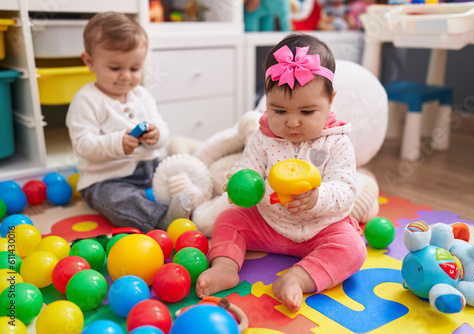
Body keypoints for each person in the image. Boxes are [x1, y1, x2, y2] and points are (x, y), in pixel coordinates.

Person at [196, 33, 367, 312]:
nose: (292, 122)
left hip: (320, 229)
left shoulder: (337, 142)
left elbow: (346, 190)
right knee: (228, 219)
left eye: (307, 111)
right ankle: (225, 266)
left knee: (354, 249)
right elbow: (250, 166)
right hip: (268, 223)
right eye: (279, 110)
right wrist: (240, 179)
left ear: (330, 101)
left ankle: (299, 277)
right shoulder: (263, 138)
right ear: (265, 101)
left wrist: (317, 197)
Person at [66, 12, 191, 233]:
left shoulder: (142, 94)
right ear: (90, 62)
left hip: (149, 168)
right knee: (115, 199)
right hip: (107, 178)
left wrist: (156, 135)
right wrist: (117, 143)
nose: (126, 76)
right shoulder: (86, 100)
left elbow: (161, 126)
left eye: (134, 69)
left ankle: (195, 204)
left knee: (177, 173)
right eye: (115, 68)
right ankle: (161, 218)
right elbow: (83, 145)